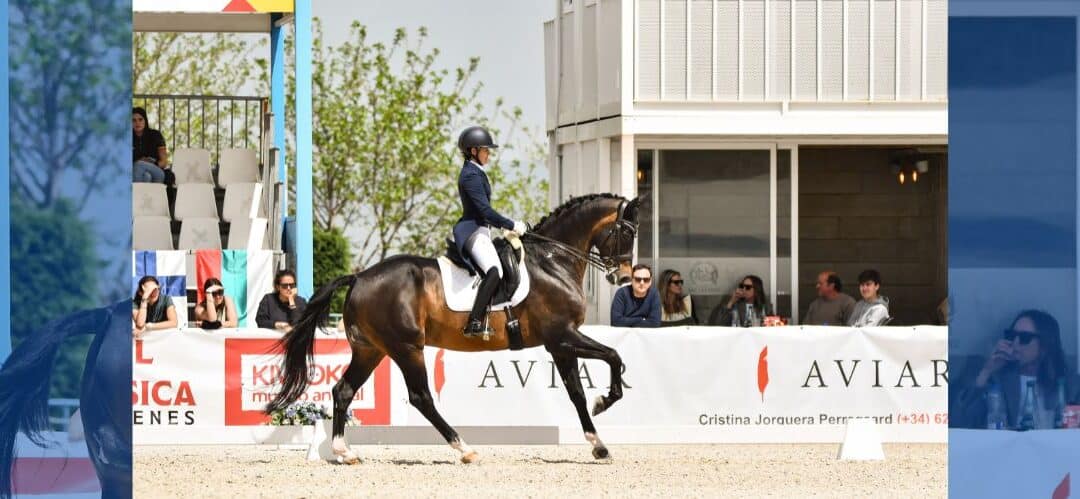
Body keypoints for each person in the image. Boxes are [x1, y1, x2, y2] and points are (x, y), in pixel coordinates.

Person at [453, 126, 528, 337]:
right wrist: (511, 224)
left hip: (482, 230)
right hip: (473, 230)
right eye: (485, 150)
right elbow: (484, 211)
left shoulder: (476, 172)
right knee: (495, 270)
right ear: (473, 151)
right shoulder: (470, 175)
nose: (489, 154)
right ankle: (474, 321)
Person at [955, 310, 1080, 429]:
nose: (1015, 343)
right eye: (1012, 336)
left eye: (1024, 338)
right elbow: (961, 422)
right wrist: (986, 372)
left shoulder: (1069, 385)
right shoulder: (997, 379)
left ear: (1044, 346)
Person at [132, 107, 171, 183]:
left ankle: (135, 194)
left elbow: (164, 161)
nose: (137, 123)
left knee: (139, 165)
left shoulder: (155, 135)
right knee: (147, 176)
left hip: (157, 172)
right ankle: (145, 194)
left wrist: (149, 163)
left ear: (145, 120)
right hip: (135, 173)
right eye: (134, 120)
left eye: (140, 119)